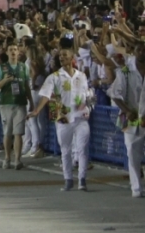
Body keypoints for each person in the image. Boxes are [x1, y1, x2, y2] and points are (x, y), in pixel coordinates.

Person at [31, 44, 92, 191]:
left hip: (81, 118)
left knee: (82, 149)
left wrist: (89, 105)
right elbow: (46, 95)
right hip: (63, 118)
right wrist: (37, 110)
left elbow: (88, 94)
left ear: (72, 57)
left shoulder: (81, 76)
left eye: (65, 54)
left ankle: (82, 180)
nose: (62, 57)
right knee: (66, 150)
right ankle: (68, 179)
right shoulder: (55, 77)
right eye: (60, 56)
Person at [109, 41, 145, 197]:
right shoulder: (125, 71)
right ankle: (136, 188)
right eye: (139, 49)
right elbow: (115, 94)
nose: (142, 52)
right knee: (132, 152)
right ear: (134, 52)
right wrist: (126, 110)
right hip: (131, 117)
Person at [0, 44, 30, 169]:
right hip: (6, 103)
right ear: (7, 53)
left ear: (18, 52)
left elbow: (26, 86)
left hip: (20, 102)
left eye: (15, 49)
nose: (13, 51)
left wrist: (32, 102)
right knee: (8, 132)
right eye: (10, 50)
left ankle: (17, 160)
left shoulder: (23, 67)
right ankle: (7, 157)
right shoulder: (1, 68)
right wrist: (5, 81)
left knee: (18, 133)